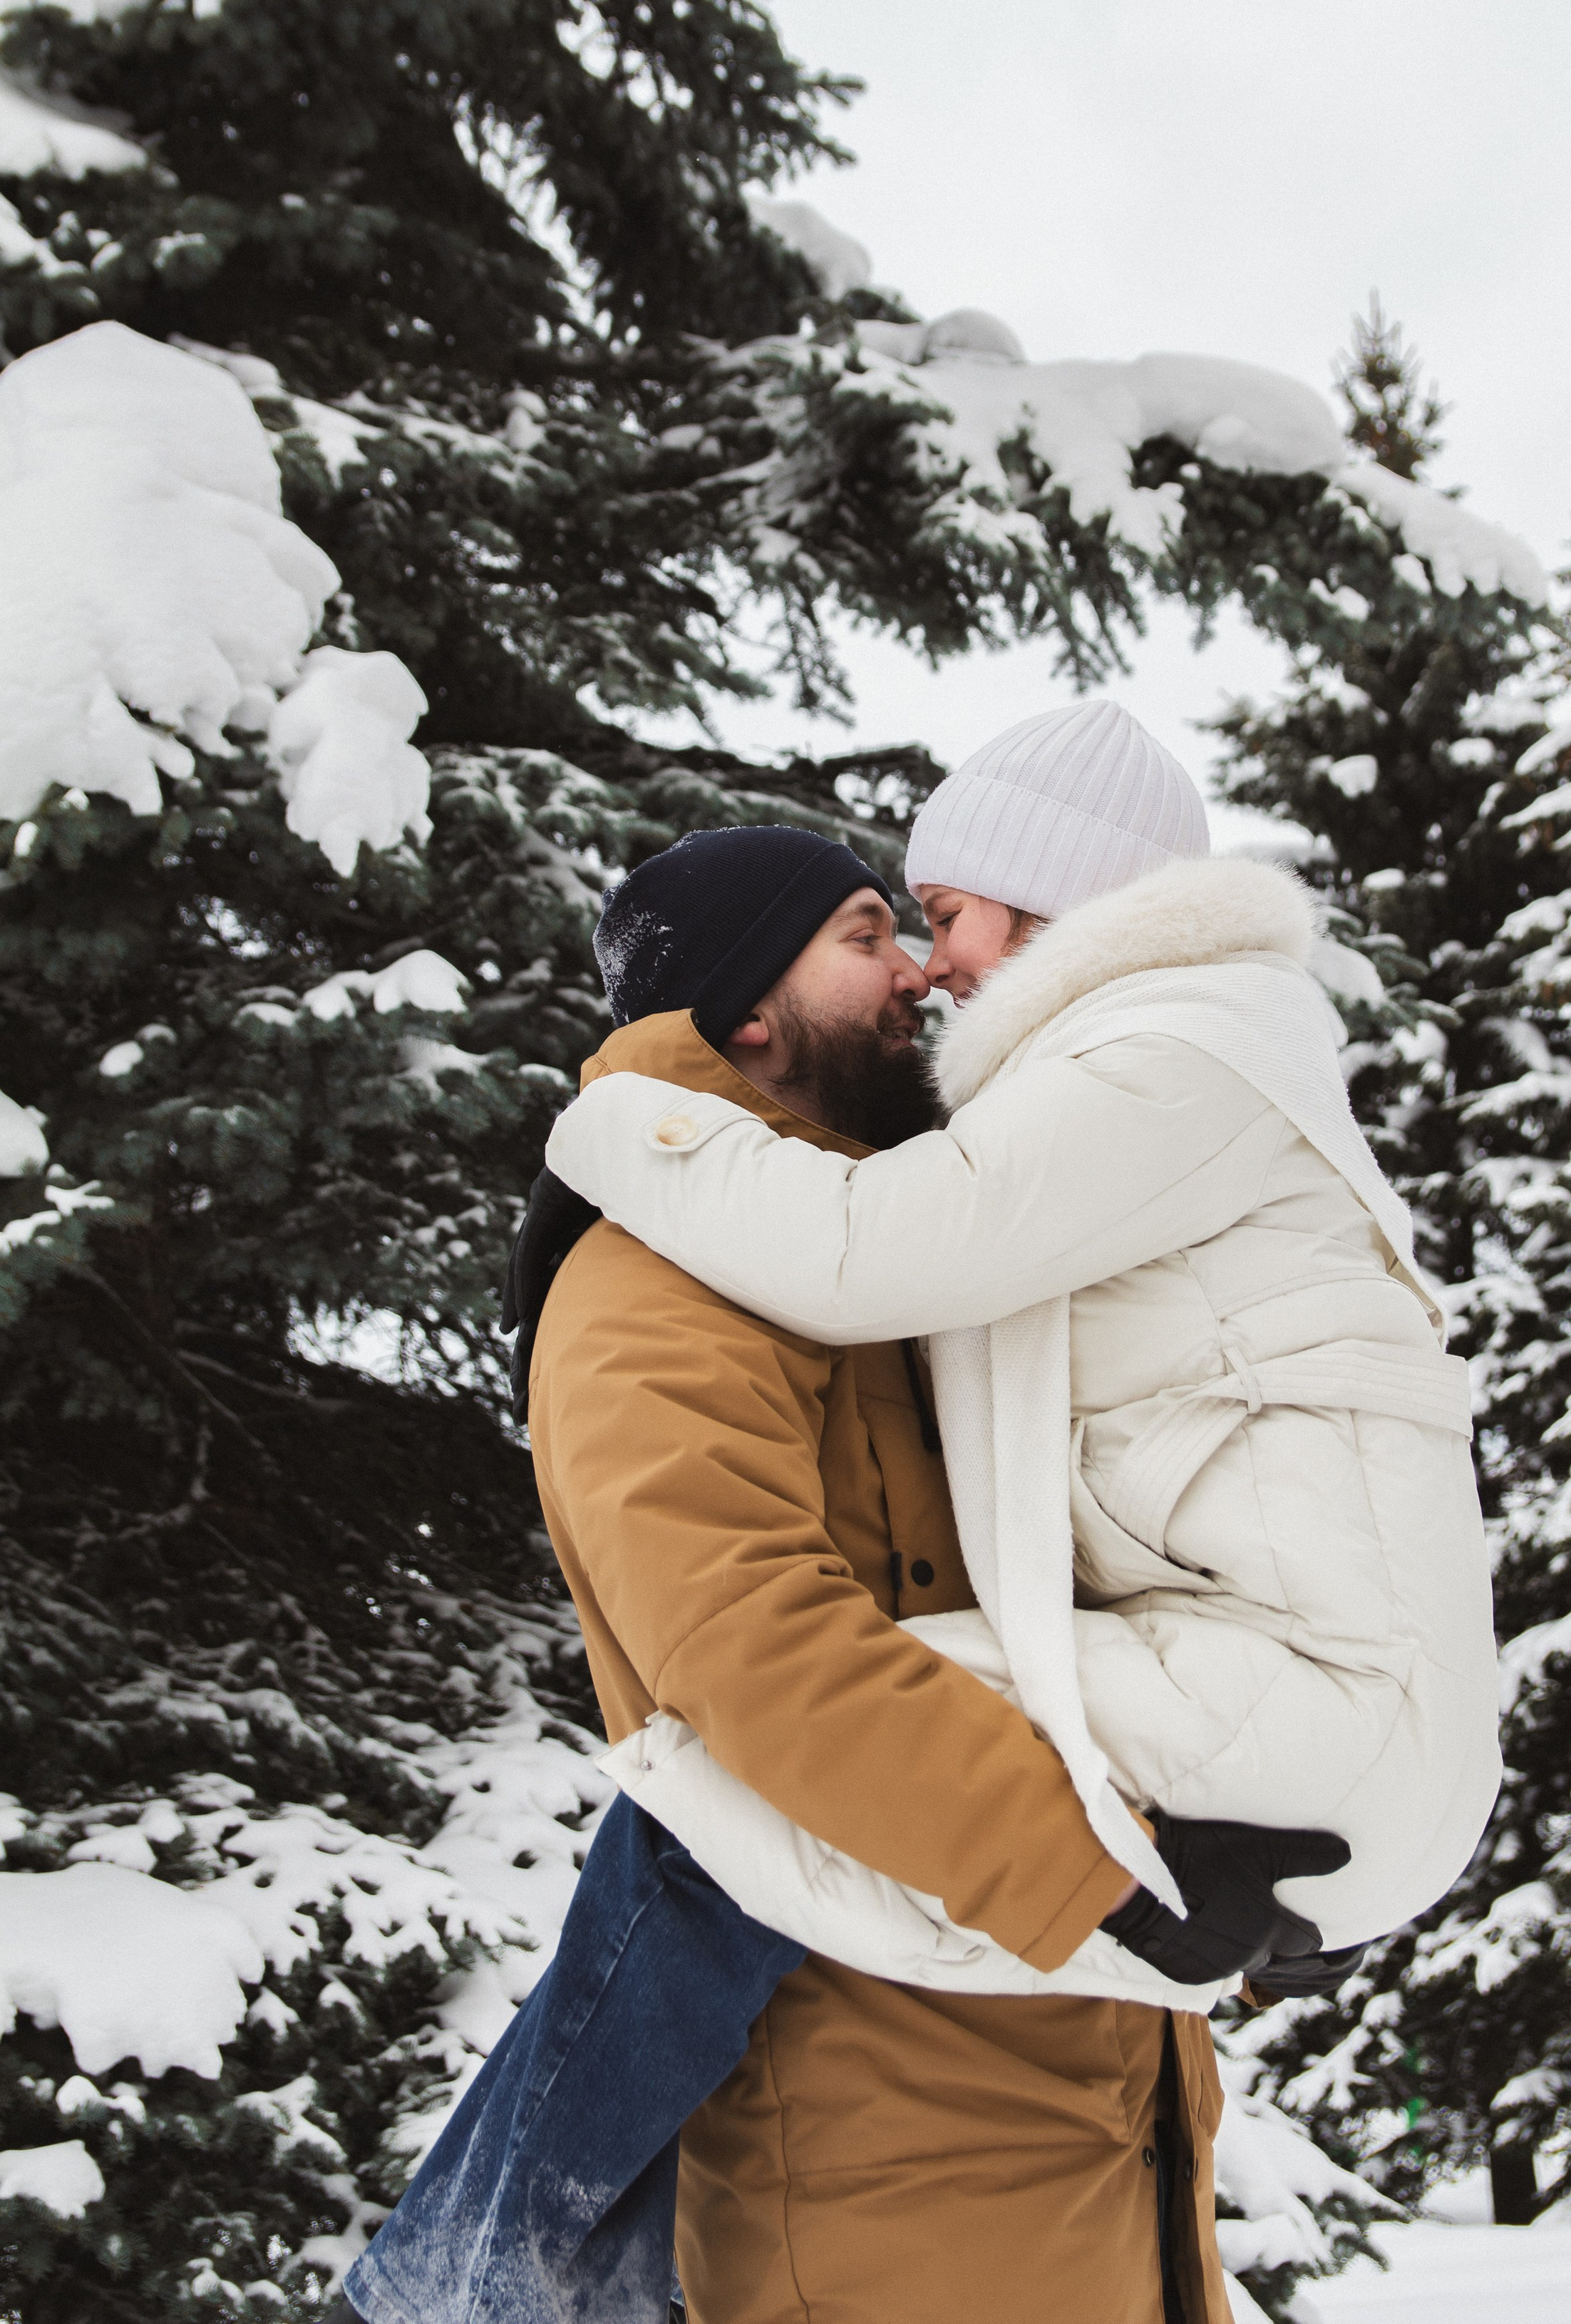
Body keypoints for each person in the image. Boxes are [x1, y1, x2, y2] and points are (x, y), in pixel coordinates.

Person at [350, 817, 1339, 2324]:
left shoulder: (892, 1269)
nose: (922, 974)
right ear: (749, 1010)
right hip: (875, 2144)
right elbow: (746, 1645)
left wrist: (1223, 1898)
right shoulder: (653, 1278)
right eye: (869, 937)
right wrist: (1106, 1878)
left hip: (1078, 2108)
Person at [547, 701, 1501, 1996]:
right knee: (814, 1755)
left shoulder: (1180, 1050)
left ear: (1044, 896)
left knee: (751, 1754)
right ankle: (1171, 1938)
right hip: (1311, 1719)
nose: (932, 967)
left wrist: (616, 1114)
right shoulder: (1159, 1062)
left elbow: (867, 1250)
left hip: (1322, 1701)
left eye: (943, 915)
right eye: (888, 933)